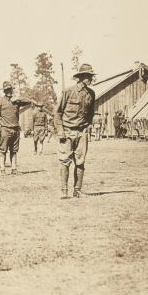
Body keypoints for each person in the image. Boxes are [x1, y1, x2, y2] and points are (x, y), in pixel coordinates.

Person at [55, 63, 96, 198]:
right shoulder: (68, 92)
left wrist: (86, 128)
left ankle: (77, 190)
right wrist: (60, 131)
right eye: (88, 76)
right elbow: (58, 113)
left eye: (91, 76)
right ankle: (64, 190)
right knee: (65, 161)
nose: (90, 78)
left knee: (80, 162)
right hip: (67, 132)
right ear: (81, 77)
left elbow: (90, 114)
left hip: (81, 132)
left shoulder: (91, 94)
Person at [0, 81, 31, 175]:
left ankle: (14, 169)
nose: (9, 91)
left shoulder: (17, 102)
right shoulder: (0, 102)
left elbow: (29, 101)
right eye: (7, 90)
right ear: (4, 91)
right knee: (3, 150)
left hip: (15, 129)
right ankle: (2, 169)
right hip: (5, 129)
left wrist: (18, 99)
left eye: (10, 89)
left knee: (14, 150)